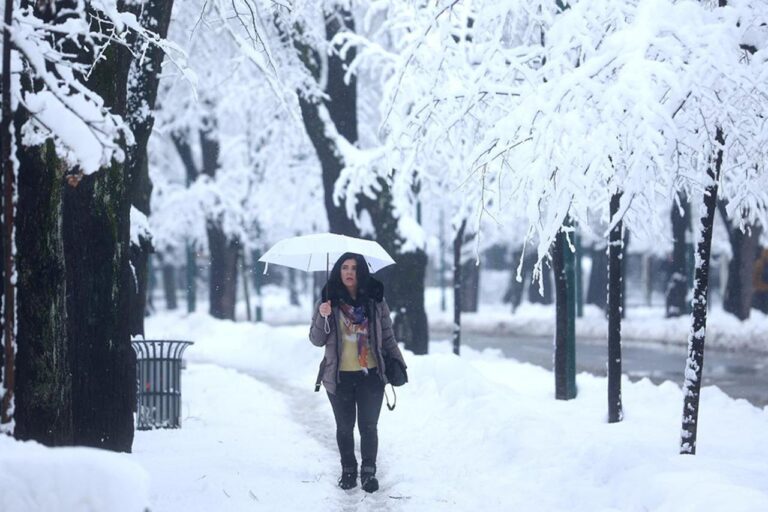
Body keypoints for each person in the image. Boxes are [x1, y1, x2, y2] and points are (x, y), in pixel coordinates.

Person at [309, 252, 407, 492]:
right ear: (338, 272)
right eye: (344, 267)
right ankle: (348, 469)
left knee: (369, 426)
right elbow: (316, 340)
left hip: (370, 375)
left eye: (354, 267)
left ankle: (369, 472)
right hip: (339, 377)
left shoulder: (375, 300)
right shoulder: (328, 302)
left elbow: (387, 336)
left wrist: (398, 363)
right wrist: (323, 316)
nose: (349, 272)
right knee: (344, 427)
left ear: (361, 271)